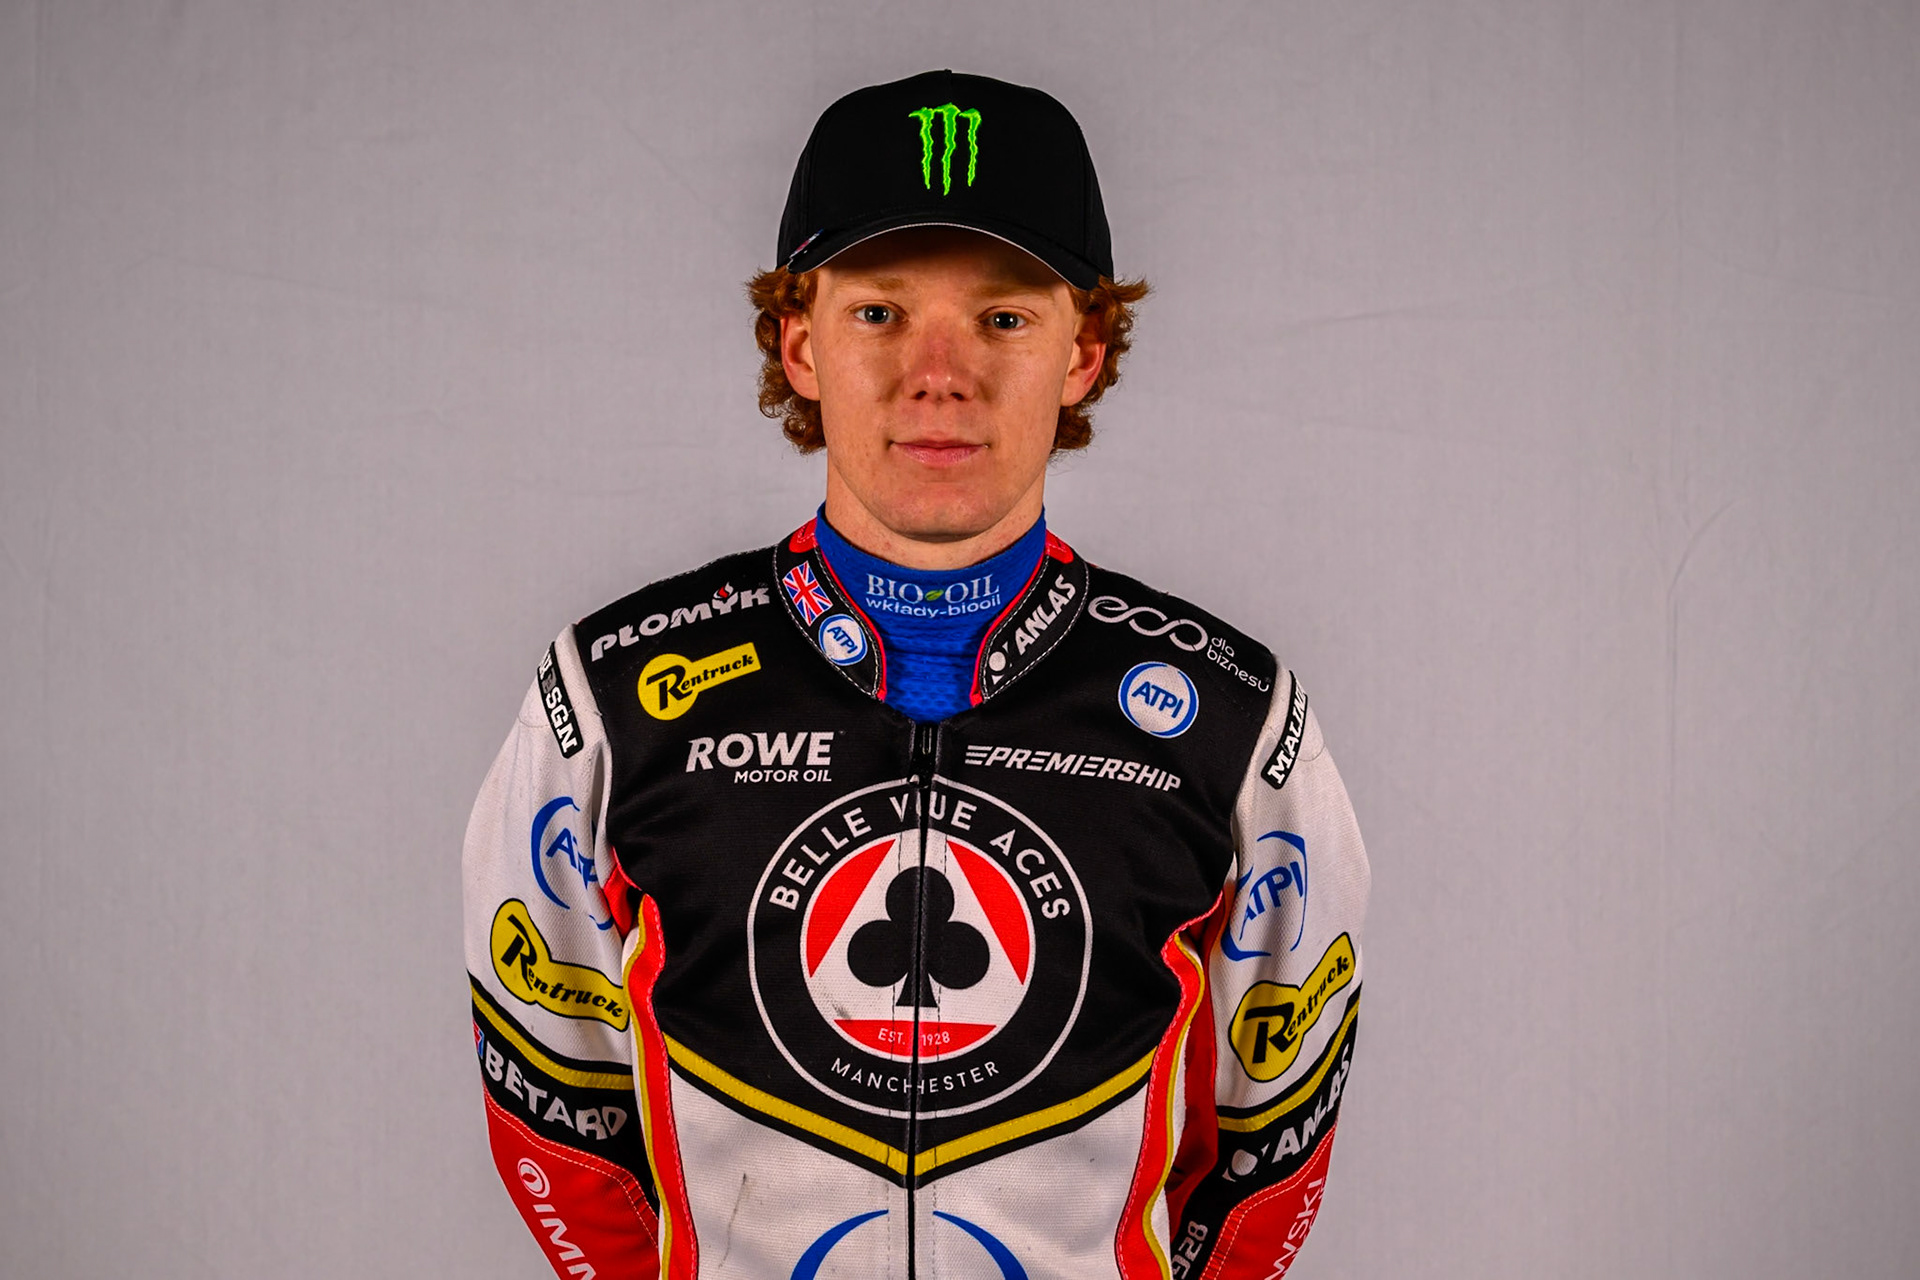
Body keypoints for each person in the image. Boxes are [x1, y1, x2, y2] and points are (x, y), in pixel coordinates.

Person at [463, 69, 1369, 1280]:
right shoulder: (611, 700)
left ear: (1085, 349)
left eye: (1003, 318)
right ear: (798, 340)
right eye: (880, 313)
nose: (938, 373)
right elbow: (558, 1115)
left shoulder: (1238, 723)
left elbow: (1270, 1153)